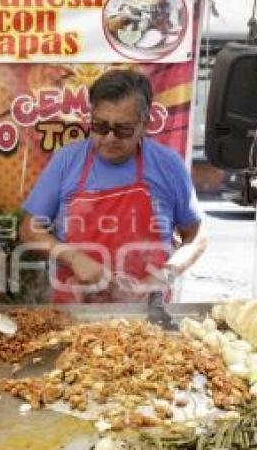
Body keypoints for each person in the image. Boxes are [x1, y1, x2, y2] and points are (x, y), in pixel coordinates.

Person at [20, 68, 206, 303]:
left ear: (145, 123)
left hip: (145, 311)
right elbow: (29, 229)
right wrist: (74, 259)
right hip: (74, 308)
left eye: (123, 129)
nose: (109, 138)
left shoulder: (168, 165)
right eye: (100, 126)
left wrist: (161, 278)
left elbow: (197, 236)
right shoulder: (67, 161)